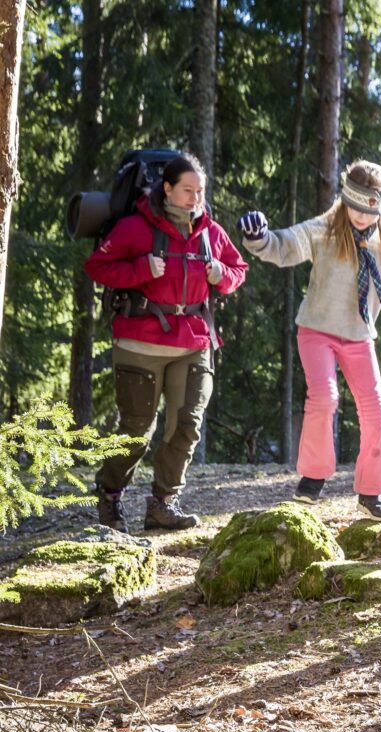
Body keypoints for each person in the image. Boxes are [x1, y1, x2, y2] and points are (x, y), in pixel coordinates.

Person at [237, 160, 381, 521]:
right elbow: (285, 244)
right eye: (355, 207)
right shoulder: (325, 230)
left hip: (359, 337)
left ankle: (371, 492)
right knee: (324, 397)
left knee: (376, 412)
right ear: (344, 200)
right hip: (316, 331)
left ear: (380, 207)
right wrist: (259, 238)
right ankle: (313, 478)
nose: (361, 217)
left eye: (369, 210)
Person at [86, 153, 247, 532]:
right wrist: (141, 268)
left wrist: (221, 275)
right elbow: (97, 266)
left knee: (186, 425)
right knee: (136, 432)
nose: (195, 198)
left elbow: (238, 270)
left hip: (193, 341)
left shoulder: (210, 232)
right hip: (140, 342)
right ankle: (109, 494)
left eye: (200, 191)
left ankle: (163, 503)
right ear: (168, 188)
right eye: (187, 190)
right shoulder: (134, 227)